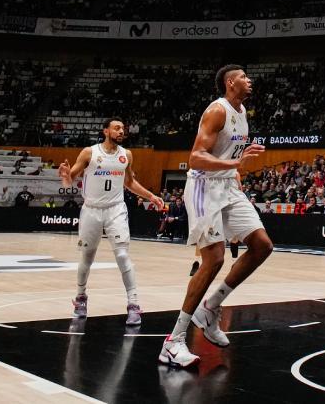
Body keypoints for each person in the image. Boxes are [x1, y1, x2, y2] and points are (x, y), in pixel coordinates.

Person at [160, 65, 274, 368]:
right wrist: (237, 162)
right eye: (244, 77)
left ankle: (210, 307)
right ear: (230, 82)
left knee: (262, 245)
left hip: (227, 186)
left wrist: (235, 169)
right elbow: (195, 157)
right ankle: (173, 342)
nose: (249, 80)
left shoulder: (243, 111)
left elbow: (226, 157)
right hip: (203, 188)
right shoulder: (217, 110)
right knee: (214, 259)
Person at [60, 119, 165, 325]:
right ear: (106, 131)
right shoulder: (89, 153)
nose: (121, 131)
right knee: (87, 257)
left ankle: (133, 304)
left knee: (123, 255)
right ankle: (81, 298)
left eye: (123, 129)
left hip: (116, 209)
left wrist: (151, 196)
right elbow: (69, 180)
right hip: (91, 210)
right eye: (117, 128)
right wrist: (64, 175)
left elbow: (130, 182)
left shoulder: (126, 155)